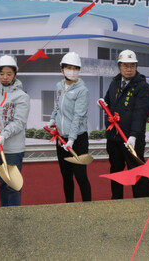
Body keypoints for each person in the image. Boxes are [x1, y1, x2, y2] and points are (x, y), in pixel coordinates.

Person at [98, 49, 149, 199]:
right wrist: (102, 102)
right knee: (116, 170)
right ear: (119, 66)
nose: (129, 69)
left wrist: (133, 136)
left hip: (132, 140)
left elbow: (140, 114)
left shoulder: (142, 86)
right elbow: (108, 99)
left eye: (132, 65)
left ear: (136, 66)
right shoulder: (115, 82)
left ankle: (143, 201)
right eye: (125, 65)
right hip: (114, 137)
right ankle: (116, 200)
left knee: (136, 170)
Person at [46, 52, 91, 202]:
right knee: (66, 176)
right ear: (62, 69)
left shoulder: (82, 91)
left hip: (77, 139)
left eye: (75, 68)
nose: (72, 71)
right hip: (61, 138)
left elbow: (78, 116)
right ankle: (69, 206)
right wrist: (53, 117)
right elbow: (57, 105)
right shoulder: (59, 85)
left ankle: (87, 206)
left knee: (80, 176)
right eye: (68, 68)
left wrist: (71, 139)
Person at [0, 55, 30, 206]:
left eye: (9, 73)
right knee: (2, 183)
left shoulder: (22, 96)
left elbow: (19, 122)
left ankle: (14, 218)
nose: (5, 77)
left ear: (15, 74)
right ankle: (3, 213)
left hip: (13, 149)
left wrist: (4, 135)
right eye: (1, 73)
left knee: (13, 186)